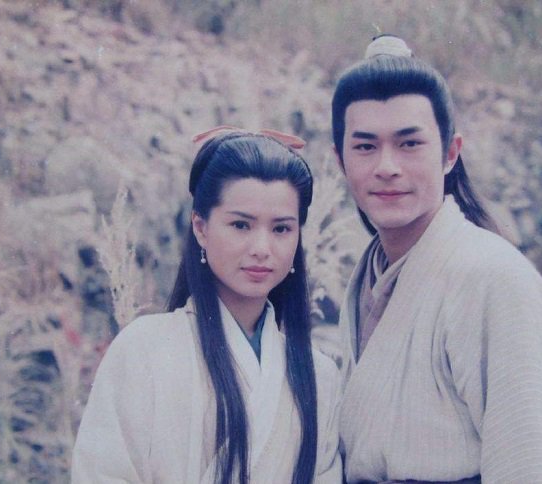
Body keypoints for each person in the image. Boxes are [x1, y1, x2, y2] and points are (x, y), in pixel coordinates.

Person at [332, 35, 542, 483]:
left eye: (409, 144)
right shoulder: (371, 276)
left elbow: (532, 462)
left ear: (449, 154)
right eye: (365, 147)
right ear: (340, 160)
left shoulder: (495, 277)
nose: (387, 166)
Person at [71, 128, 342, 483]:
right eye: (241, 225)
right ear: (200, 227)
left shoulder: (319, 376)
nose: (262, 248)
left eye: (281, 229)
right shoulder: (143, 350)